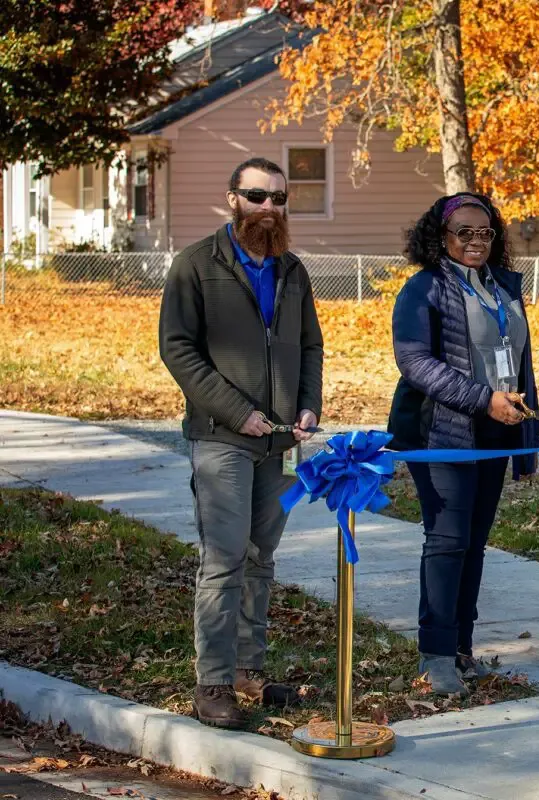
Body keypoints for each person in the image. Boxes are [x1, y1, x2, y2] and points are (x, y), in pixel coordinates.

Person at [159, 156, 324, 729]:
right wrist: (238, 412)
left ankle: (251, 672)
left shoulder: (291, 270)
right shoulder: (195, 266)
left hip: (278, 444)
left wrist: (307, 405)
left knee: (261, 558)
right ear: (233, 198)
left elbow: (309, 348)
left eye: (279, 198)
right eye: (257, 196)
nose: (270, 207)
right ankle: (214, 683)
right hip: (221, 440)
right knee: (225, 560)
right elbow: (178, 350)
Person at [387, 192, 539, 695]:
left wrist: (527, 432)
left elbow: (520, 361)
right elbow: (416, 364)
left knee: (474, 545)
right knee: (447, 542)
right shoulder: (423, 288)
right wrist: (482, 399)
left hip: (496, 431)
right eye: (464, 233)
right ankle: (435, 654)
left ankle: (461, 649)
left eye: (485, 233)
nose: (476, 242)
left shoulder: (503, 287)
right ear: (441, 237)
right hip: (445, 434)